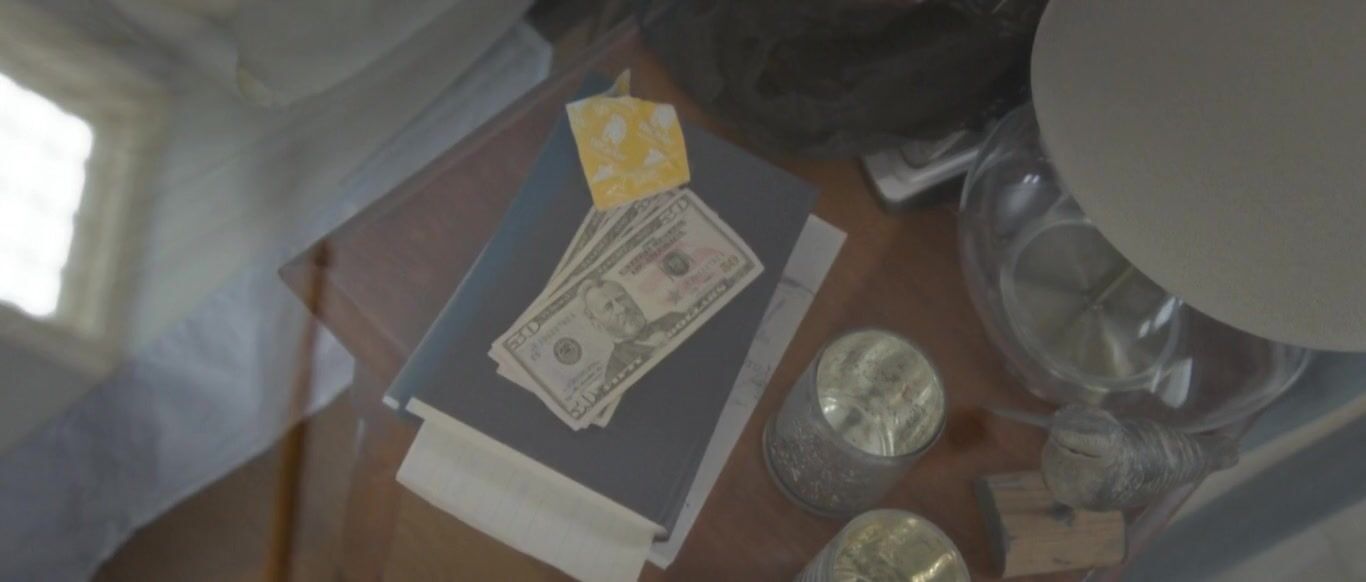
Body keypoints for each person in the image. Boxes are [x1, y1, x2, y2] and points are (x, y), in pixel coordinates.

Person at [578, 278, 685, 382]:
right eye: (608, 307)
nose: (622, 309)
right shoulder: (615, 372)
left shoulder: (674, 318)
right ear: (597, 325)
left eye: (621, 299)